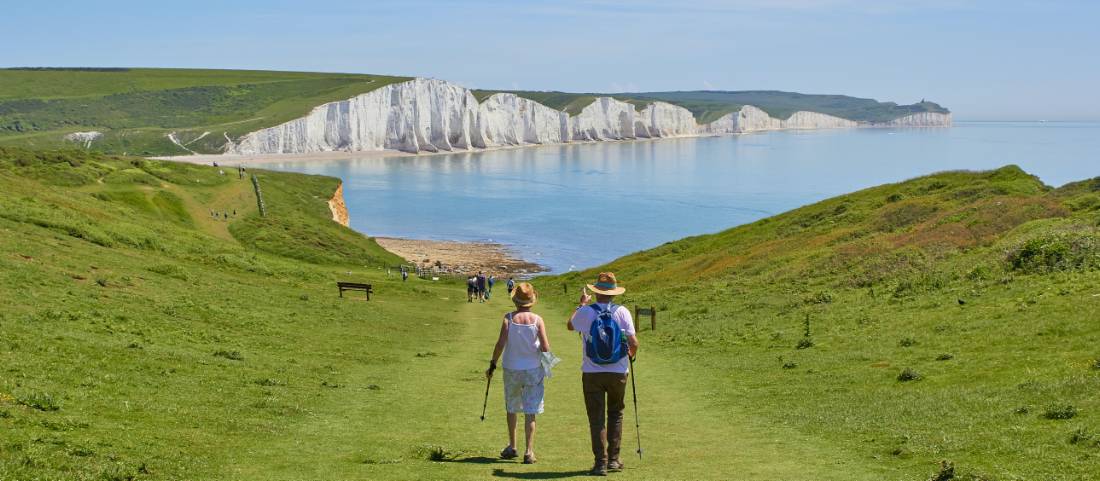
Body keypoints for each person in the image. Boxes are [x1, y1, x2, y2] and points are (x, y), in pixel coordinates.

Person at [567, 272, 639, 476]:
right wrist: (629, 357)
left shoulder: (587, 311)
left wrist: (581, 305)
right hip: (618, 372)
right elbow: (634, 343)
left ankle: (600, 463)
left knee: (596, 418)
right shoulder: (622, 311)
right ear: (614, 293)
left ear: (595, 292)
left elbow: (570, 325)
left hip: (592, 372)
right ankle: (614, 460)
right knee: (616, 414)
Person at [486, 283, 552, 465]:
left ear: (515, 300)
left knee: (512, 407)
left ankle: (512, 446)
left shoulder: (508, 318)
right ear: (531, 301)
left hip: (511, 368)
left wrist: (492, 364)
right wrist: (548, 367)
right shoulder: (538, 320)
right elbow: (545, 347)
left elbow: (500, 344)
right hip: (533, 369)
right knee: (531, 410)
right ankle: (529, 451)